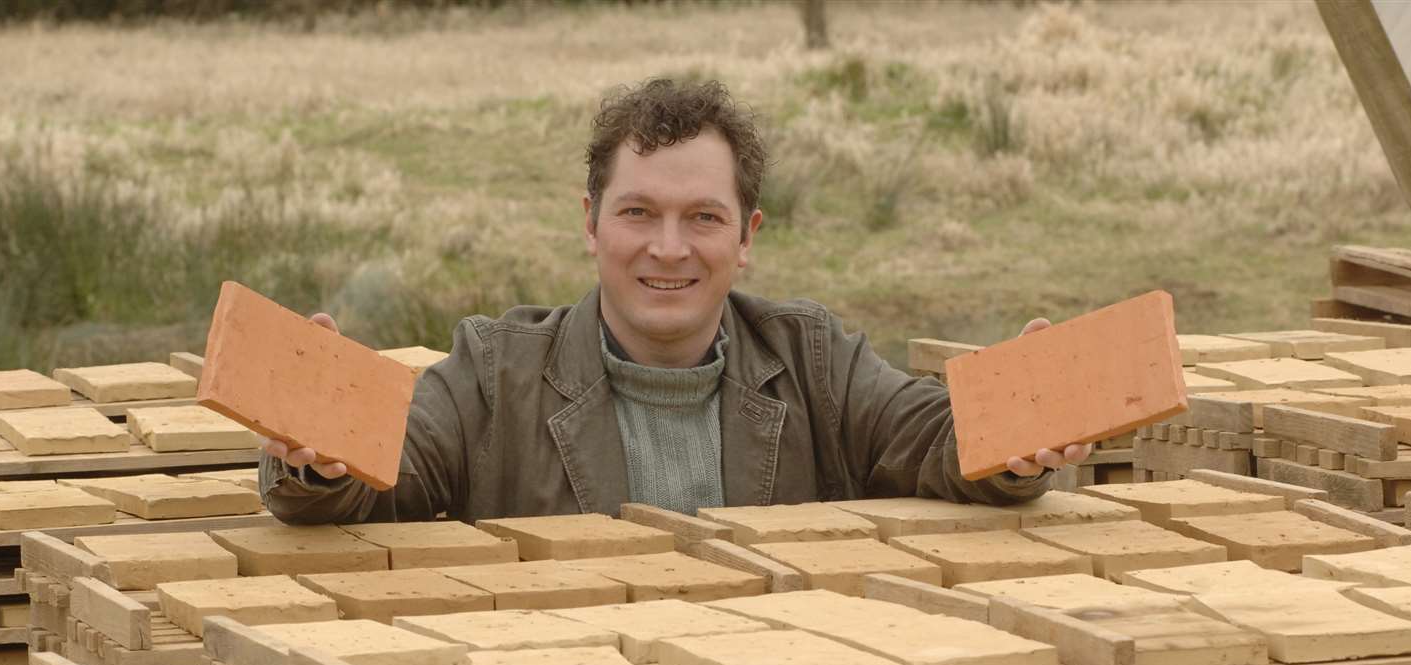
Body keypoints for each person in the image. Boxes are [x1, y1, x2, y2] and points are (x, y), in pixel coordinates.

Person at [259, 78, 1090, 525]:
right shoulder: (495, 372)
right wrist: (314, 449)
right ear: (590, 223)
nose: (668, 248)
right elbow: (378, 473)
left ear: (747, 234)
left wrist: (1013, 439)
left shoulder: (814, 361)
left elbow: (935, 440)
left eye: (702, 218)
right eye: (637, 213)